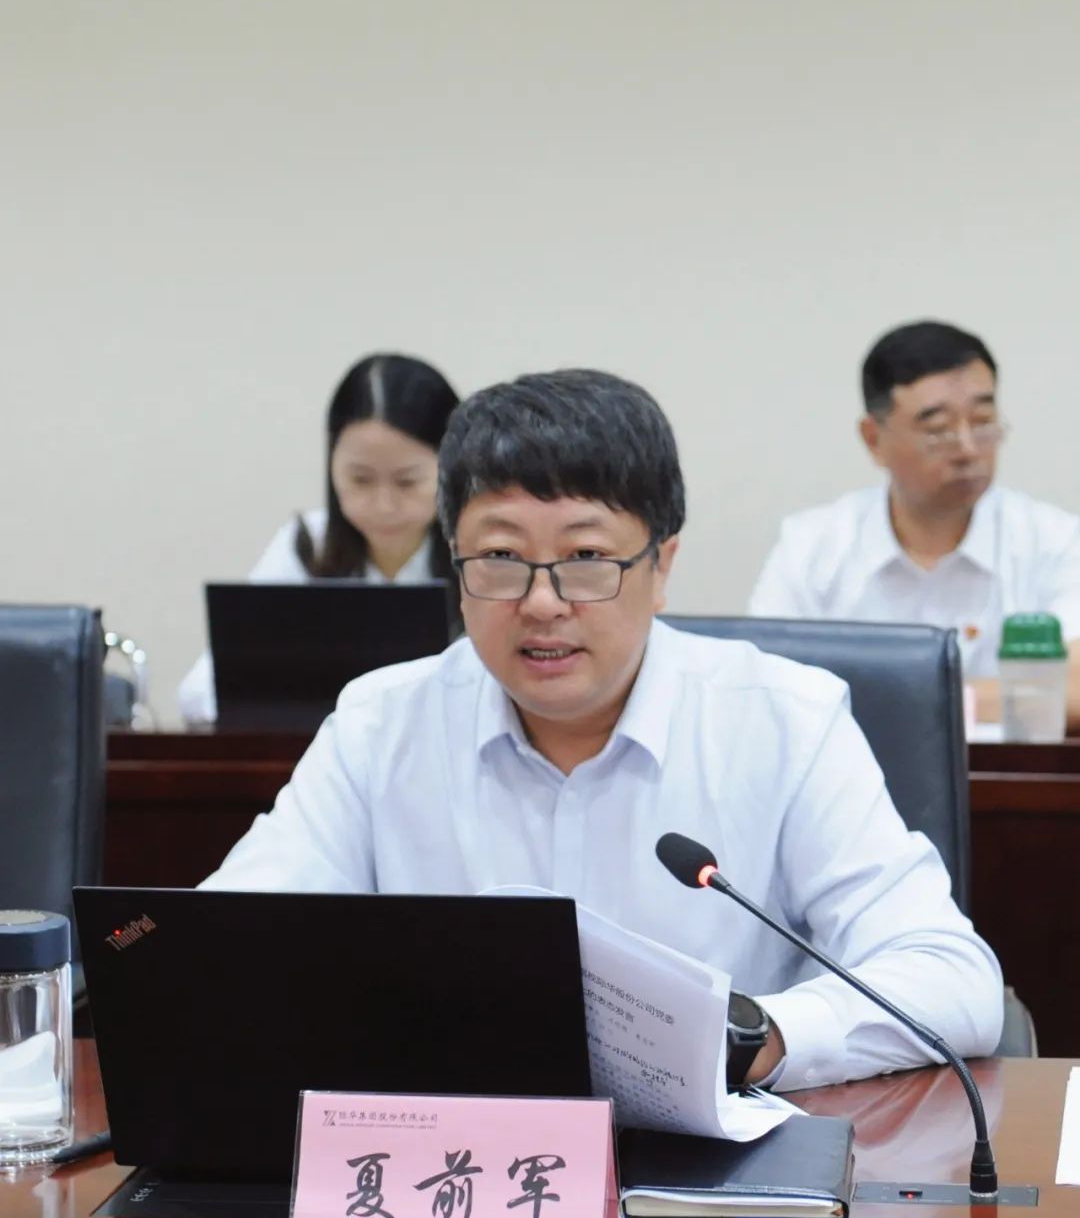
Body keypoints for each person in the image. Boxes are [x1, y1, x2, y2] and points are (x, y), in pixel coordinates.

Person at [202, 367, 1002, 1093]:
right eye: (500, 557)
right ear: (456, 566)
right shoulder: (381, 724)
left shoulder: (784, 722)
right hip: (450, 1159)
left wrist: (754, 1037)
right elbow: (221, 949)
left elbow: (950, 977)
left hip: (706, 1173)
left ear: (662, 565)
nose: (542, 601)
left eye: (586, 556)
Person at [748, 321, 1080, 728]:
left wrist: (891, 701)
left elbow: (1075, 690)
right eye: (938, 430)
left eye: (982, 421)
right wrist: (996, 698)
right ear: (873, 439)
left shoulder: (1054, 541)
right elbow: (765, 687)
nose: (968, 448)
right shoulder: (811, 546)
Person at [176, 353, 459, 722]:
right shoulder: (309, 545)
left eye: (407, 481)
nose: (384, 505)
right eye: (360, 479)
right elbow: (201, 692)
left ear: (450, 467)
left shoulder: (479, 553)